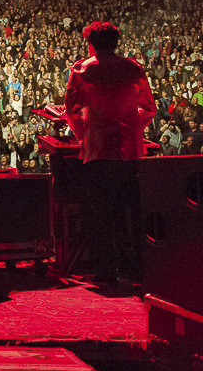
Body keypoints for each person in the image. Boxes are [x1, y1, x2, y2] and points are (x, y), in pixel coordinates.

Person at [64, 21, 155, 287]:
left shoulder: (82, 69)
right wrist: (131, 126)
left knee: (102, 210)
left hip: (99, 148)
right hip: (130, 150)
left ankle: (107, 271)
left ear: (91, 44)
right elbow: (148, 108)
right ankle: (139, 268)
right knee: (132, 209)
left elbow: (71, 109)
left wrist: (84, 133)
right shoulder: (133, 68)